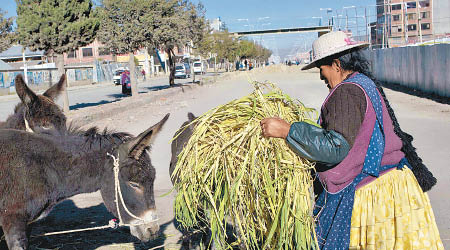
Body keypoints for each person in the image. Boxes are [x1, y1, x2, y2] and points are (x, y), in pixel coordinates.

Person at [260, 31, 443, 249]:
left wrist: (288, 131)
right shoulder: (363, 83)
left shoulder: (347, 92)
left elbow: (334, 147)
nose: (320, 77)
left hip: (374, 192)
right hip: (394, 184)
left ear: (336, 65)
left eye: (321, 69)